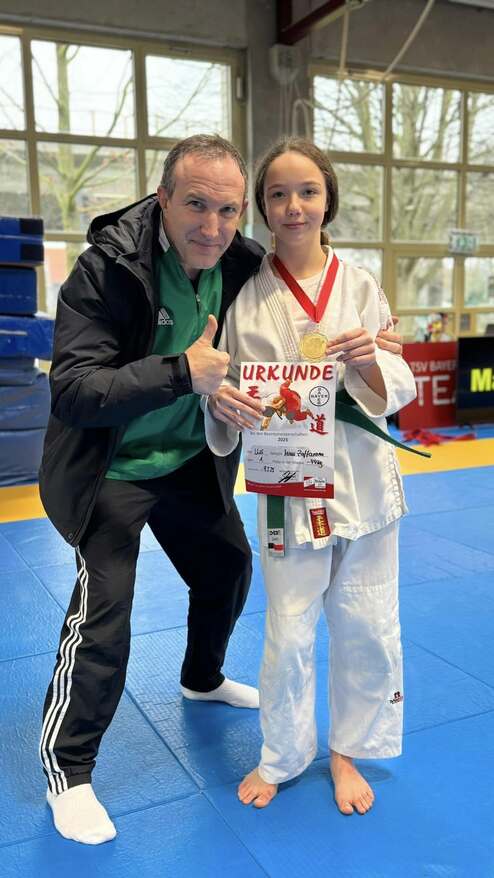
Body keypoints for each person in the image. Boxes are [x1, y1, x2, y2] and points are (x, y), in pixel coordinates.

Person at [38, 133, 403, 845]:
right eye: (196, 205)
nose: (212, 225)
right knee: (106, 612)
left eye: (229, 209)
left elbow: (289, 348)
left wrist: (379, 351)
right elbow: (76, 391)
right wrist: (183, 374)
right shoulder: (104, 270)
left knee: (227, 567)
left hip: (188, 460)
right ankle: (69, 770)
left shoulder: (242, 265)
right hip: (109, 468)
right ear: (164, 198)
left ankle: (201, 676)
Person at [205, 137, 417, 815]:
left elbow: (395, 384)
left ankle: (349, 749)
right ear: (262, 208)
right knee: (289, 632)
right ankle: (284, 755)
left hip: (361, 482)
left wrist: (367, 359)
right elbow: (227, 394)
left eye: (307, 192)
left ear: (328, 199)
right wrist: (223, 400)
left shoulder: (360, 284)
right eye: (277, 194)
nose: (293, 206)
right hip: (288, 490)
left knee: (366, 623)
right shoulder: (246, 297)